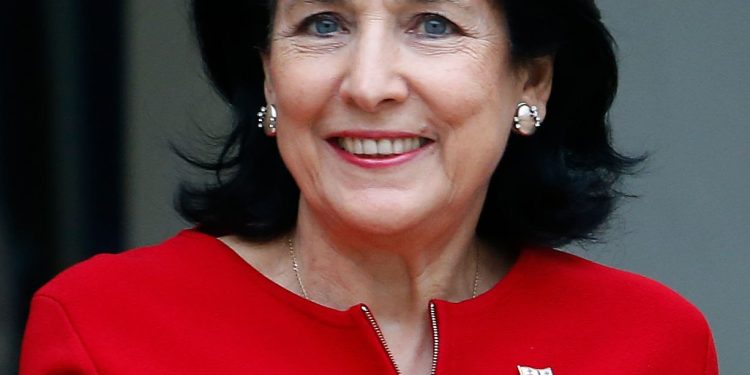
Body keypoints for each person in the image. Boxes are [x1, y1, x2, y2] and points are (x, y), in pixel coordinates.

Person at [20, 0, 718, 374]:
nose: (369, 83)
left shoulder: (647, 344)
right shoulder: (105, 330)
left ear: (530, 80)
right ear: (266, 72)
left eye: (433, 24)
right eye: (324, 24)